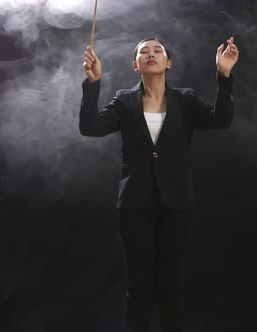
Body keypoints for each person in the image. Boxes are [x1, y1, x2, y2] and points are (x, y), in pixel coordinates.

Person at [80, 36, 239, 332]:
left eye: (157, 51)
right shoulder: (123, 101)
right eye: (143, 51)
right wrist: (93, 83)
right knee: (139, 290)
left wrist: (224, 75)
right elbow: (90, 128)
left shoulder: (186, 99)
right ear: (135, 64)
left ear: (168, 63)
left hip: (177, 205)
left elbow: (221, 120)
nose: (150, 54)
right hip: (134, 206)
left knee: (171, 290)